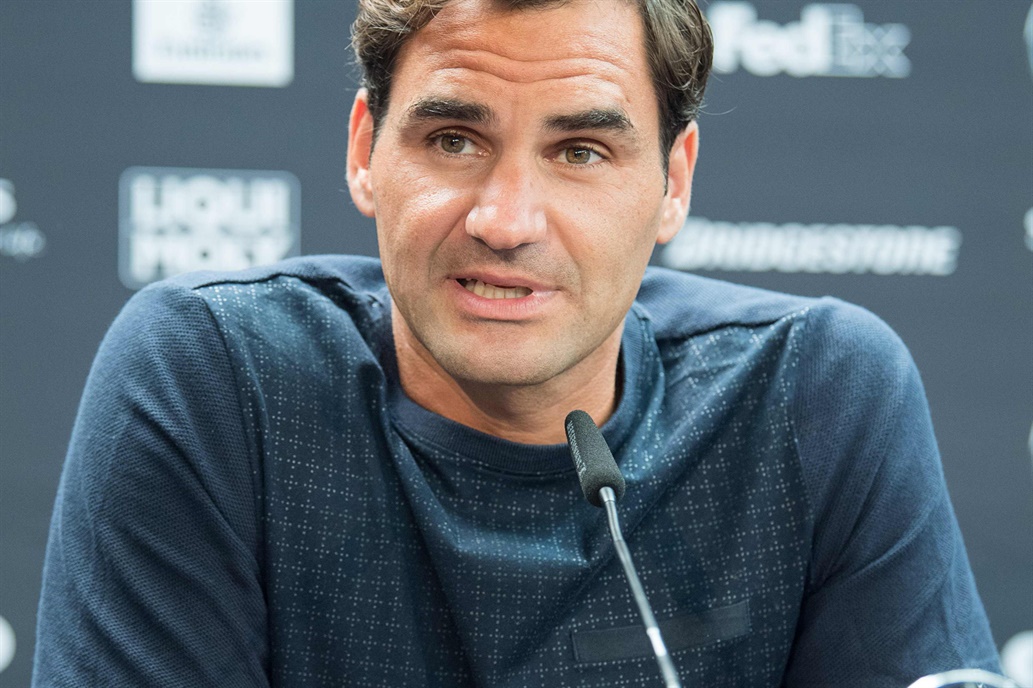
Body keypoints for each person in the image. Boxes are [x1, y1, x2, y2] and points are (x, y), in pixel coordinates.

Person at [33, 0, 1000, 685]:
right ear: (365, 150)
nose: (504, 220)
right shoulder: (217, 376)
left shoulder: (812, 391)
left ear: (673, 182)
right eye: (453, 139)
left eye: (580, 152)